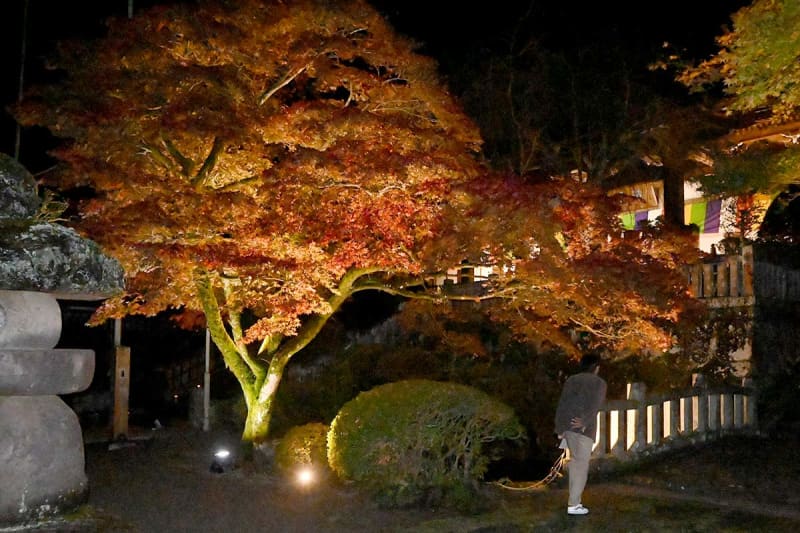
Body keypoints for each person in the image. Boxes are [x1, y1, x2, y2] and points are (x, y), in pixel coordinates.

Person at [554, 353, 607, 516]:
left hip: (568, 427)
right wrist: (584, 422)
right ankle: (574, 503)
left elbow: (563, 403)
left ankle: (574, 500)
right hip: (584, 430)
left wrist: (560, 428)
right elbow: (595, 405)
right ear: (596, 368)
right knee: (581, 465)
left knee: (575, 463)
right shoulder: (599, 383)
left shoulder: (571, 380)